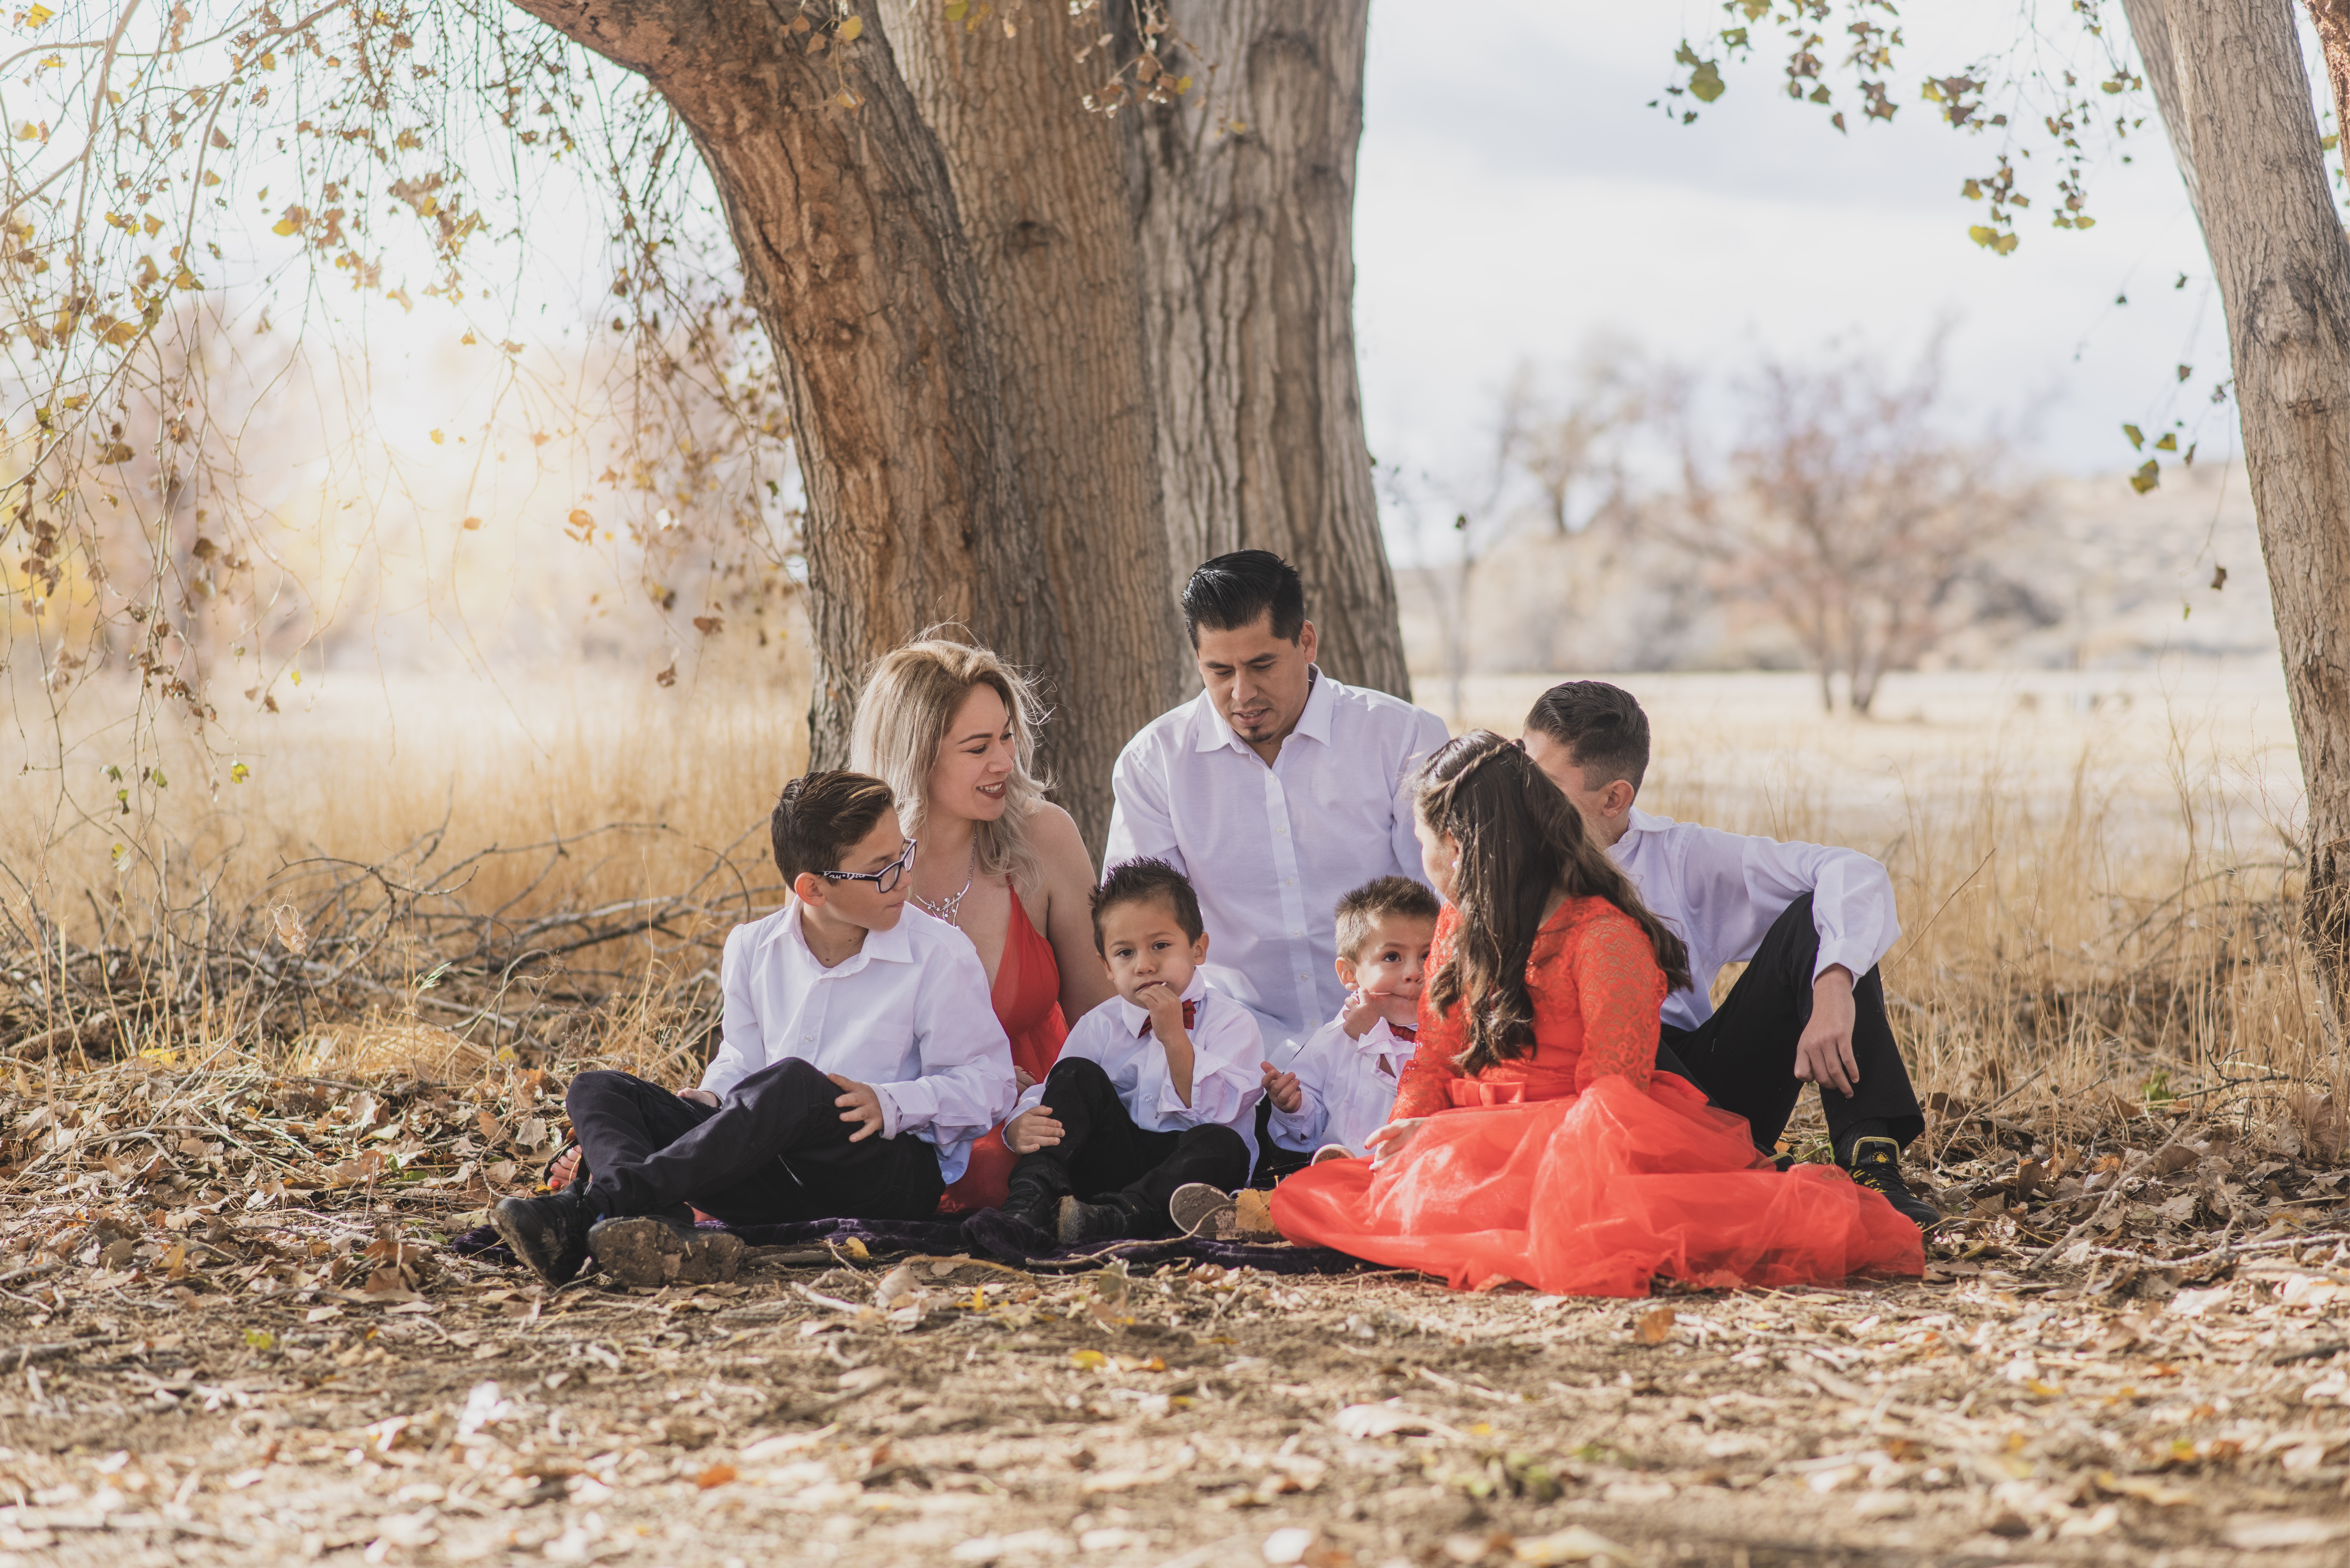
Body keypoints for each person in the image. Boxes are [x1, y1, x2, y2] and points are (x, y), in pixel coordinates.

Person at [1270, 732, 1923, 1296]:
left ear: (1457, 846)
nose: (1422, 861)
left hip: (1580, 1143)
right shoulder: (1458, 925)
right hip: (1476, 1137)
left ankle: (1866, 1152)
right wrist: (1410, 1128)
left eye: (1421, 842)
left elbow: (1610, 1100)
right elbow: (1437, 1054)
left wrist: (1457, 1137)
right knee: (1317, 1198)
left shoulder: (1604, 936)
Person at [491, 772, 1017, 1287]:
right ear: (812, 888)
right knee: (599, 1087)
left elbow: (991, 1082)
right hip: (765, 1167)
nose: (904, 878)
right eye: (881, 868)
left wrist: (893, 1101)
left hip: (882, 1169)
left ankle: (595, 1209)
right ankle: (652, 1229)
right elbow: (742, 1059)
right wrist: (711, 1092)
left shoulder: (940, 954)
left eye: (903, 854)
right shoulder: (750, 946)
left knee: (797, 1084)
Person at [1519, 681, 1936, 1228]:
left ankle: (1871, 1164)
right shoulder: (1498, 860)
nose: (1522, 795)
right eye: (1521, 768)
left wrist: (1833, 981)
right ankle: (1748, 1171)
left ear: (1615, 797)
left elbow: (1851, 871)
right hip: (1590, 1088)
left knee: (1818, 918)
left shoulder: (1681, 856)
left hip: (1702, 1086)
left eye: (1545, 784)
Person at [1104, 550, 1450, 1058]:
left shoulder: (1402, 737)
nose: (1242, 692)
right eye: (1219, 671)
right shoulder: (1152, 763)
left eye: (1261, 664)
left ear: (1306, 641)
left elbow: (1444, 899)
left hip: (1395, 1045)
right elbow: (1141, 931)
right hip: (1232, 1055)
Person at [851, 638, 1112, 1211]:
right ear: (916, 757)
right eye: (978, 747)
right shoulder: (851, 860)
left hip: (1040, 1119)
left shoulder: (1047, 837)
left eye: (1007, 736)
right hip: (908, 1122)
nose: (1005, 762)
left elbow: (1102, 1017)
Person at [996, 859, 1261, 1246]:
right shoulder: (1099, 1024)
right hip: (1113, 1160)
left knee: (1224, 1148)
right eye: (1125, 954)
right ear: (1106, 967)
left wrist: (1174, 1039)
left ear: (1198, 949)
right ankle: (1031, 1198)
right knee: (1075, 1073)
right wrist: (1019, 1122)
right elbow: (1057, 1094)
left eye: (1160, 946)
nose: (1144, 965)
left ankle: (1116, 1219)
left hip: (1183, 1171)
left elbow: (1217, 1110)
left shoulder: (1232, 1023)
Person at [1259, 875, 1442, 1174]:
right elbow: (1309, 1127)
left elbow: (1420, 1099)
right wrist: (1293, 1106)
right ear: (1349, 974)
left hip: (1414, 1173)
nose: (1414, 972)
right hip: (1336, 1176)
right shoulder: (1332, 1038)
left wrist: (1373, 1036)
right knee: (1293, 1192)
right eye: (1392, 957)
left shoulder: (1448, 1037)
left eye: (1427, 955)